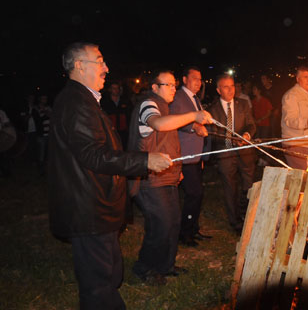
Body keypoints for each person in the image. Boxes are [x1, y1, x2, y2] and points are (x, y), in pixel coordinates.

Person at [48, 42, 173, 310]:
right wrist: (144, 160)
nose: (107, 68)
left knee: (111, 269)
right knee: (98, 283)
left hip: (97, 203)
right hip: (87, 206)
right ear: (79, 65)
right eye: (100, 61)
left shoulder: (85, 99)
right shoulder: (75, 102)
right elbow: (94, 155)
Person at [128, 69, 212, 285]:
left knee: (173, 222)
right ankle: (144, 267)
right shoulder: (149, 104)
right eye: (169, 85)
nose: (174, 88)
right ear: (155, 87)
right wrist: (194, 116)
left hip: (167, 175)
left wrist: (178, 169)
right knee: (161, 224)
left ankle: (165, 265)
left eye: (175, 85)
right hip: (150, 178)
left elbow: (169, 141)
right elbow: (157, 124)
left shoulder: (165, 107)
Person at [207, 74, 256, 233]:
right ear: (218, 90)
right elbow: (212, 134)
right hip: (225, 154)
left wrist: (247, 135)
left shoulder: (242, 104)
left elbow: (251, 124)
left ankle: (248, 214)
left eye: (232, 86)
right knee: (230, 187)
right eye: (226, 87)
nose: (231, 90)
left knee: (248, 185)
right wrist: (228, 140)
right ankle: (235, 221)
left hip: (245, 152)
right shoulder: (212, 110)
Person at [170, 66, 211, 248]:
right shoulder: (179, 97)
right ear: (185, 79)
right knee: (194, 194)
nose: (198, 82)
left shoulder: (195, 99)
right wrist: (193, 127)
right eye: (195, 78)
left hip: (195, 155)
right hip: (184, 155)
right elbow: (174, 120)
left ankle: (193, 228)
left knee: (197, 194)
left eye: (200, 79)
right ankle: (184, 233)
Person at [281, 66, 308, 170]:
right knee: (302, 175)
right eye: (305, 77)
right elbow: (289, 119)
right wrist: (306, 122)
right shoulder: (291, 95)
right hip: (295, 144)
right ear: (298, 79)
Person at [101, 80, 133, 147]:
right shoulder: (104, 102)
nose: (116, 90)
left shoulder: (125, 101)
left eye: (117, 88)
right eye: (113, 88)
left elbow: (130, 115)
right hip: (110, 132)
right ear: (110, 90)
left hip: (124, 132)